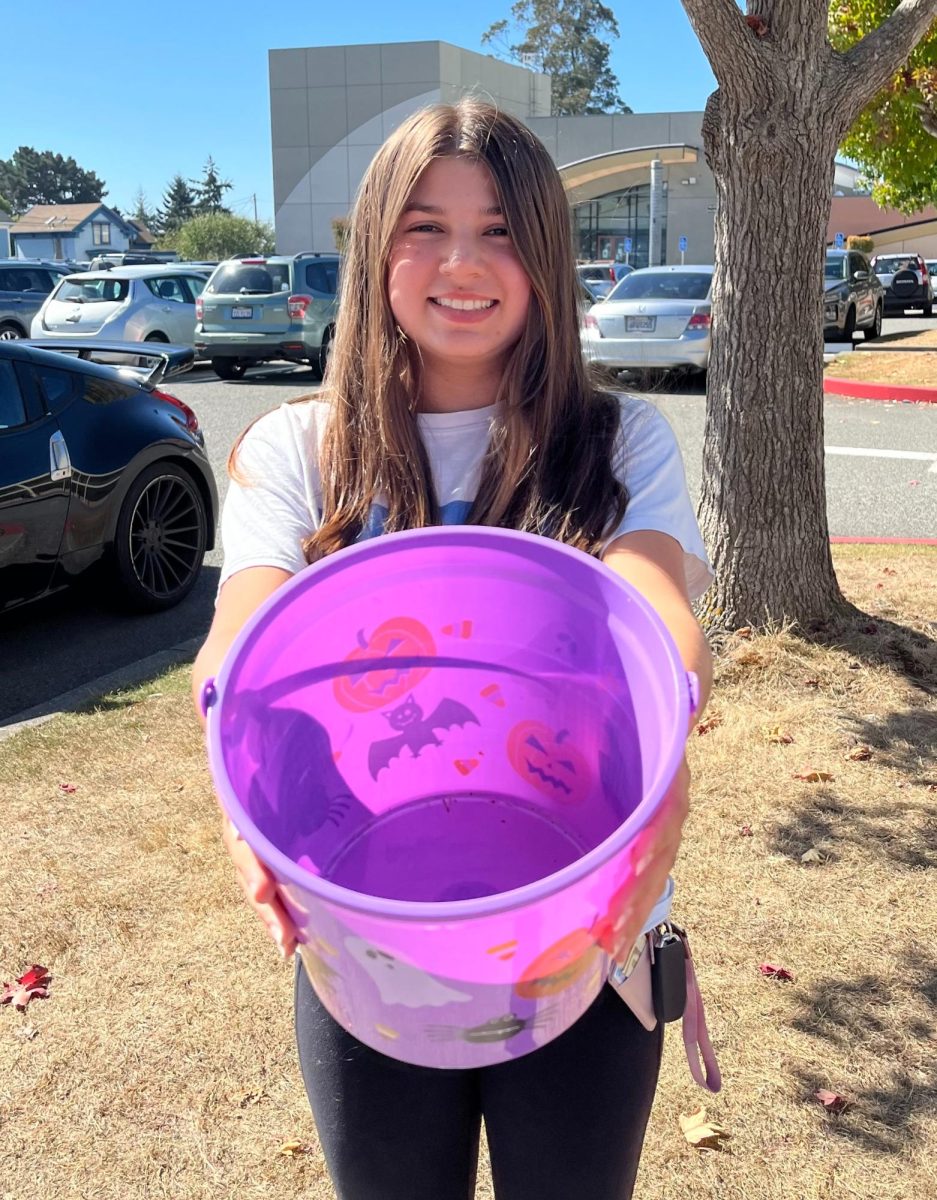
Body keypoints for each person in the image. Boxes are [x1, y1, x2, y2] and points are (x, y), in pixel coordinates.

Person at [192, 98, 714, 1200]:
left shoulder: (620, 442)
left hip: (586, 948)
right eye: (424, 226)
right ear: (376, 244)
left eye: (503, 232)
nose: (462, 263)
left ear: (547, 255)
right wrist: (228, 746)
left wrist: (672, 733)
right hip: (364, 949)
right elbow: (241, 635)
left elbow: (654, 608)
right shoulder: (299, 449)